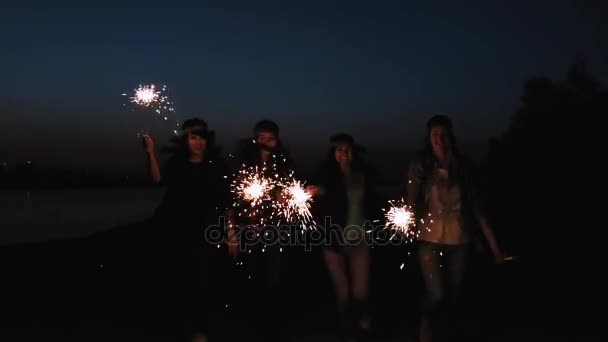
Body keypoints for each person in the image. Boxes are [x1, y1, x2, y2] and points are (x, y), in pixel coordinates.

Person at [405, 115, 504, 342]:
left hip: (460, 240)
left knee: (452, 294)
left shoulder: (464, 166)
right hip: (428, 238)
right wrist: (407, 224)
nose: (439, 139)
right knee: (436, 293)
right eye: (434, 135)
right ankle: (426, 336)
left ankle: (444, 334)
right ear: (428, 138)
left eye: (443, 134)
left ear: (451, 136)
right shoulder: (421, 165)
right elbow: (411, 201)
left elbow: (478, 209)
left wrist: (494, 247)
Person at [142, 118, 237, 341]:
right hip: (174, 230)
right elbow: (157, 179)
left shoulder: (217, 166)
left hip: (205, 231)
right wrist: (150, 152)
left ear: (207, 140)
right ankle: (180, 328)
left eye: (201, 138)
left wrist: (231, 233)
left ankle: (201, 332)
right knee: (176, 282)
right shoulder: (178, 163)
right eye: (193, 138)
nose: (198, 143)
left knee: (203, 280)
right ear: (186, 140)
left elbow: (227, 202)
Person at [308, 133, 381, 341]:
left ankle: (360, 329)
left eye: (347, 149)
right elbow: (313, 207)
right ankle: (347, 332)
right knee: (344, 294)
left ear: (353, 152)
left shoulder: (363, 175)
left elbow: (373, 204)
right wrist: (316, 197)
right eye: (338, 150)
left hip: (361, 240)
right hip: (333, 241)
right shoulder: (324, 177)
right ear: (333, 153)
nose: (343, 153)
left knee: (361, 292)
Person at [231, 119, 295, 340]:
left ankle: (273, 325)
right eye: (262, 138)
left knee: (275, 276)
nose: (266, 143)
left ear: (277, 140)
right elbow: (235, 195)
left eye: (271, 138)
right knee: (251, 274)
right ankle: (253, 325)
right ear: (256, 139)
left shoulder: (285, 163)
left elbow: (291, 191)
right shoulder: (245, 163)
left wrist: (285, 197)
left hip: (276, 229)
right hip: (248, 228)